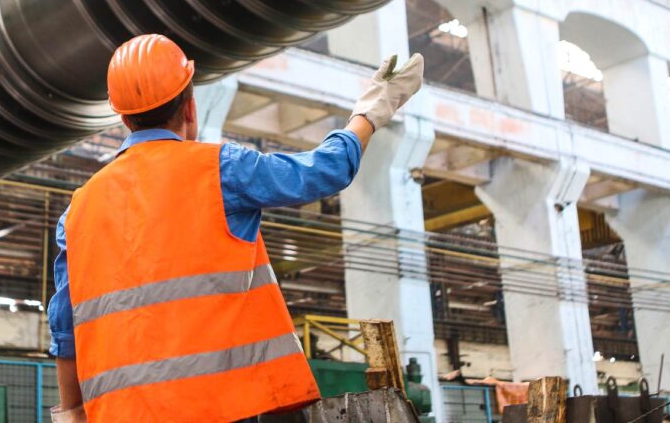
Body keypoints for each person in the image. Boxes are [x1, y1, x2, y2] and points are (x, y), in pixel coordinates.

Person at [49, 34, 424, 422]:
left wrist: (73, 412)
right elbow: (324, 172)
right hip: (223, 409)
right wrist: (373, 109)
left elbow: (64, 331)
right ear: (190, 106)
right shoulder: (221, 170)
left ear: (124, 118)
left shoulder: (77, 211)